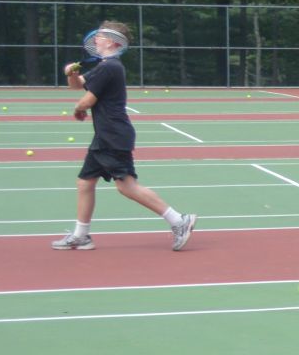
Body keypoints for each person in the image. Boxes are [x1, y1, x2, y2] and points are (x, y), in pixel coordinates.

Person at [51, 21, 197, 252]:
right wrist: (72, 73)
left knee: (126, 186)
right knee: (85, 182)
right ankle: (81, 236)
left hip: (113, 135)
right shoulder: (104, 66)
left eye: (99, 36)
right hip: (106, 135)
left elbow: (88, 100)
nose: (95, 39)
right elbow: (78, 85)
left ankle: (179, 221)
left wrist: (78, 109)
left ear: (112, 41)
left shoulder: (110, 67)